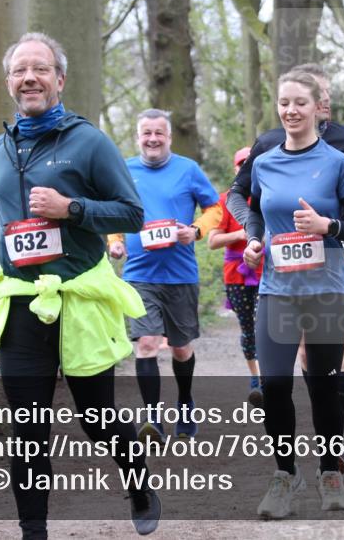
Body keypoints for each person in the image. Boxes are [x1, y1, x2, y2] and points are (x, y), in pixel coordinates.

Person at [0, 32, 160, 538]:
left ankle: (139, 482)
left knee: (98, 421)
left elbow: (132, 214)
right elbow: (0, 213)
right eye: (20, 70)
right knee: (28, 430)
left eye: (40, 69)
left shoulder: (89, 142)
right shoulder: (0, 148)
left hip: (80, 299)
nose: (29, 78)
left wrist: (70, 209)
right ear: (9, 82)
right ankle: (33, 531)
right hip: (22, 302)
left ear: (60, 79)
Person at [226, 64, 344, 469]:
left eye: (300, 102)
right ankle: (285, 474)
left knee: (323, 384)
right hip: (278, 288)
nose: (291, 110)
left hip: (327, 287)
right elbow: (249, 204)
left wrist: (328, 226)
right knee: (275, 383)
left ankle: (330, 470)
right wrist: (254, 238)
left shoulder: (339, 157)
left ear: (318, 106)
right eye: (284, 103)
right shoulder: (265, 157)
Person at [107, 109, 222, 441]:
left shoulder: (188, 169)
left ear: (169, 137)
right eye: (147, 133)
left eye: (159, 133)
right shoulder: (124, 170)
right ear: (138, 137)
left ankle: (185, 403)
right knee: (146, 344)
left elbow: (215, 208)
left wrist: (196, 230)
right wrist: (115, 241)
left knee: (181, 348)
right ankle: (153, 419)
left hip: (180, 274)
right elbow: (115, 211)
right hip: (139, 274)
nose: (153, 139)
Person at [207, 146, 264, 406]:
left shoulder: (269, 195)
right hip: (236, 275)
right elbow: (212, 241)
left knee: (266, 326)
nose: (245, 168)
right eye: (241, 164)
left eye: (249, 163)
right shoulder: (225, 200)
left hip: (265, 272)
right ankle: (256, 379)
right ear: (235, 168)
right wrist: (242, 234)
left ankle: (268, 378)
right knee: (248, 329)